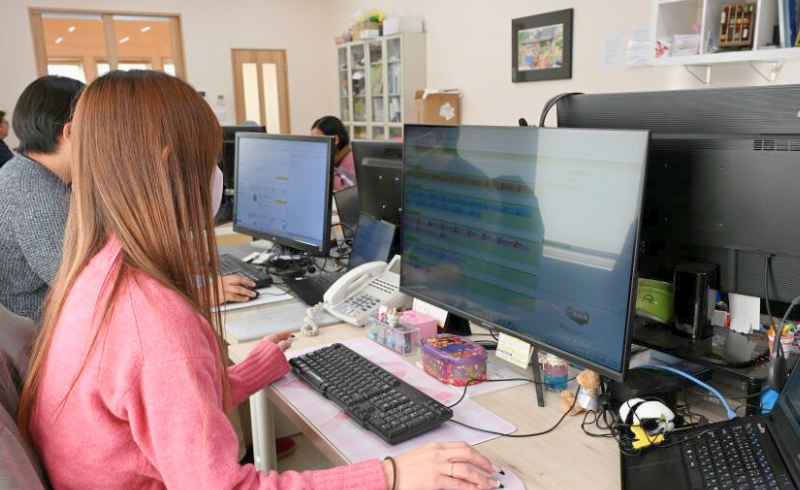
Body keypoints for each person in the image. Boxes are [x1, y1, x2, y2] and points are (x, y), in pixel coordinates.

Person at [17, 70, 500, 490]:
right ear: (169, 166)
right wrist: (392, 475)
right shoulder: (153, 323)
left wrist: (247, 373)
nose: (218, 178)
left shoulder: (97, 270)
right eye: (211, 160)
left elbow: (156, 410)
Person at [0, 76, 84, 323]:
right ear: (71, 131)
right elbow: (82, 285)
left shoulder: (24, 171)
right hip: (40, 331)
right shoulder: (34, 194)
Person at [311, 116, 356, 191]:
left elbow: (343, 190)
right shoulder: (334, 159)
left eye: (319, 140)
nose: (314, 145)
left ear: (335, 140)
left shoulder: (352, 160)